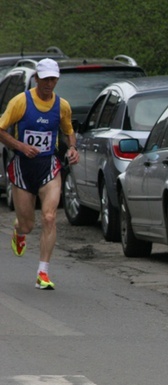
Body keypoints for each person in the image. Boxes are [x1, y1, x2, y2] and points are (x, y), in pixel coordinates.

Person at [0, 58, 79, 290]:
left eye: (53, 79)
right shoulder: (20, 102)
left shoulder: (62, 105)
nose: (48, 83)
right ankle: (19, 232)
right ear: (36, 79)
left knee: (50, 217)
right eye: (44, 79)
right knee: (27, 224)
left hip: (48, 167)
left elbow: (68, 131)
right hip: (23, 168)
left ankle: (42, 272)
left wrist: (73, 148)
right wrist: (21, 147)